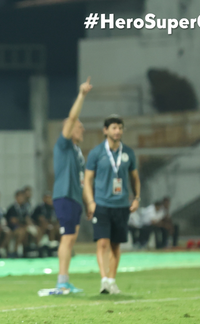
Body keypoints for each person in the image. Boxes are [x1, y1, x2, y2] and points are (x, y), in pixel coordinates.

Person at [83, 115, 141, 294]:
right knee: (102, 243)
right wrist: (90, 202)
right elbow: (87, 180)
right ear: (105, 130)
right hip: (102, 204)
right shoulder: (96, 153)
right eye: (114, 127)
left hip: (121, 205)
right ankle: (103, 281)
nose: (118, 131)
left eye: (120, 128)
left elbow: (135, 178)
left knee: (116, 245)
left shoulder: (128, 153)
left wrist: (137, 198)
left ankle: (112, 280)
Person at [52, 77, 91, 292]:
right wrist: (82, 95)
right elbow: (72, 117)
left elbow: (82, 182)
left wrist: (88, 203)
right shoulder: (63, 145)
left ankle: (65, 280)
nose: (82, 129)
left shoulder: (77, 153)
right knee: (67, 238)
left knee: (71, 238)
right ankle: (61, 281)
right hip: (64, 196)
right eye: (79, 127)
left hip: (74, 199)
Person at [5, 190, 31, 258]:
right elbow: (13, 221)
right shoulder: (12, 208)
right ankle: (15, 251)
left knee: (29, 231)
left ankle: (28, 250)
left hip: (22, 227)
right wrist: (22, 222)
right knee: (21, 232)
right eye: (20, 197)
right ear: (16, 197)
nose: (22, 199)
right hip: (12, 228)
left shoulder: (24, 208)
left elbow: (27, 219)